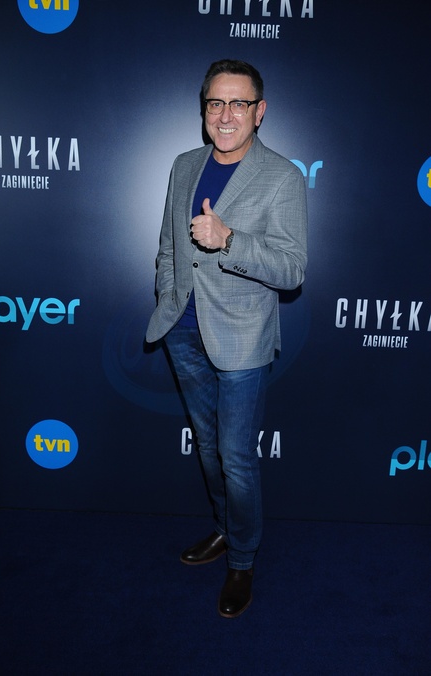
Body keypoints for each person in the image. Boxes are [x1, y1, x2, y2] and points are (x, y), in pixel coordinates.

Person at [146, 59, 307, 618]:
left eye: (239, 103)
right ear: (204, 110)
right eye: (216, 103)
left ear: (260, 112)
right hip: (183, 334)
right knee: (209, 449)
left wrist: (230, 239)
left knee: (236, 458)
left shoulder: (282, 177)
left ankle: (242, 558)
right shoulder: (184, 165)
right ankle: (223, 526)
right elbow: (168, 245)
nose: (226, 114)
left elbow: (291, 270)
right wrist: (168, 294)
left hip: (241, 340)